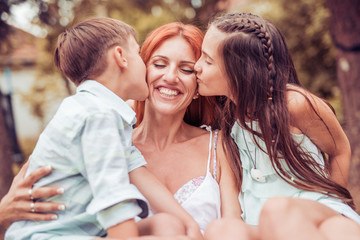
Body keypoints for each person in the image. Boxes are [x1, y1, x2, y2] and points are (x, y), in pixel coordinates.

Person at [0, 21, 241, 238]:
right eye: (157, 63)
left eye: (186, 69)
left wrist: (189, 226)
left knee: (167, 226)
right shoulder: (98, 117)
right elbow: (112, 200)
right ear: (123, 58)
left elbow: (136, 169)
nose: (170, 76)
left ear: (199, 81)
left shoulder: (114, 125)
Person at [193, 12, 360, 239]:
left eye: (208, 60)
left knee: (278, 210)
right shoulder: (230, 115)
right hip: (259, 223)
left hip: (308, 213)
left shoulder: (294, 105)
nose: (197, 66)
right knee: (220, 229)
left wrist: (333, 206)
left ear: (240, 71)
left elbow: (340, 149)